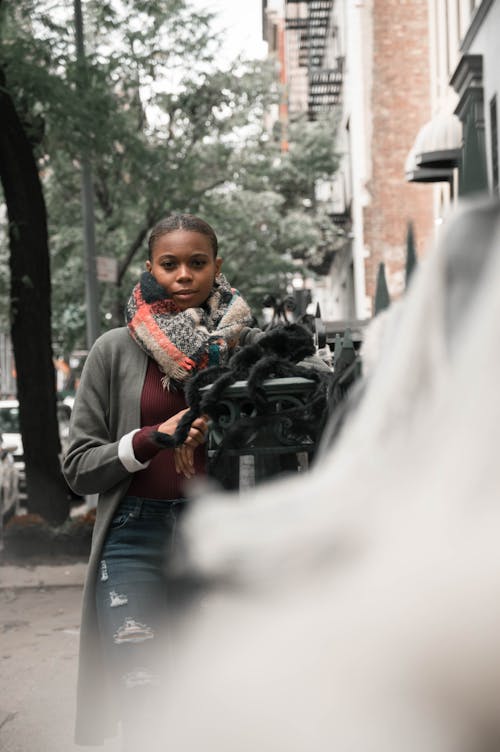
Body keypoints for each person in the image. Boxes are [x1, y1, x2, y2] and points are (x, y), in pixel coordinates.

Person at [63, 214, 254, 749]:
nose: (185, 275)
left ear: (217, 268)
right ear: (150, 270)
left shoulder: (248, 350)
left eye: (198, 263)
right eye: (170, 264)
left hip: (216, 540)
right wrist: (152, 438)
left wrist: (224, 426)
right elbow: (78, 466)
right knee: (145, 700)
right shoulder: (113, 350)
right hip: (132, 541)